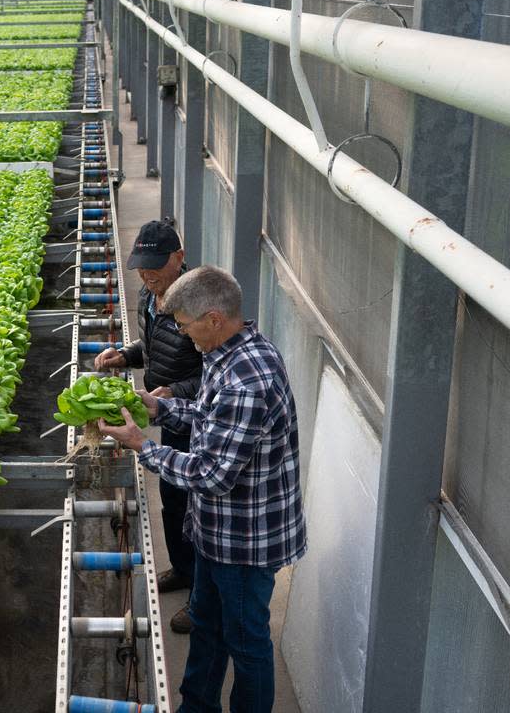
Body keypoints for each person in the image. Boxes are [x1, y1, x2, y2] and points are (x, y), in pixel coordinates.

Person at [98, 265, 307, 713]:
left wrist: (141, 446)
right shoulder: (230, 354)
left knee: (247, 642)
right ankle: (196, 705)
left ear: (214, 317)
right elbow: (212, 421)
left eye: (186, 324)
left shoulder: (246, 381)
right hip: (218, 531)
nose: (182, 333)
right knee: (209, 625)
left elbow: (211, 474)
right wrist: (159, 409)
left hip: (244, 541)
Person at [94, 219, 203, 633]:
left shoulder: (196, 303)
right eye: (142, 265)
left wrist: (174, 392)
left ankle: (200, 600)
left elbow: (214, 372)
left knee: (201, 510)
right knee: (173, 499)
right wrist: (124, 356)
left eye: (155, 265)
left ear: (179, 256)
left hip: (198, 417)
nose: (147, 273)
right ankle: (182, 568)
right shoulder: (149, 295)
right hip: (170, 416)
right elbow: (153, 347)